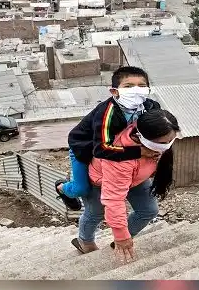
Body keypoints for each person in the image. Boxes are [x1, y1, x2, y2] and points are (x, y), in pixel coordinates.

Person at [72, 108, 180, 262]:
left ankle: (117, 242)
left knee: (148, 210)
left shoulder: (153, 141)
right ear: (141, 137)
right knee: (95, 213)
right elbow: (114, 199)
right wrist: (121, 236)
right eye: (162, 143)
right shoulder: (120, 157)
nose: (166, 146)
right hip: (101, 182)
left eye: (171, 140)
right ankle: (85, 241)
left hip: (134, 179)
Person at [55, 66, 160, 211]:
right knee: (81, 189)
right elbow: (101, 149)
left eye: (141, 86)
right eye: (129, 86)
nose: (136, 90)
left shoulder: (151, 107)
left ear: (148, 89)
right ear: (114, 91)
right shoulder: (107, 113)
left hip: (116, 145)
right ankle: (63, 188)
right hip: (85, 147)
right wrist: (139, 152)